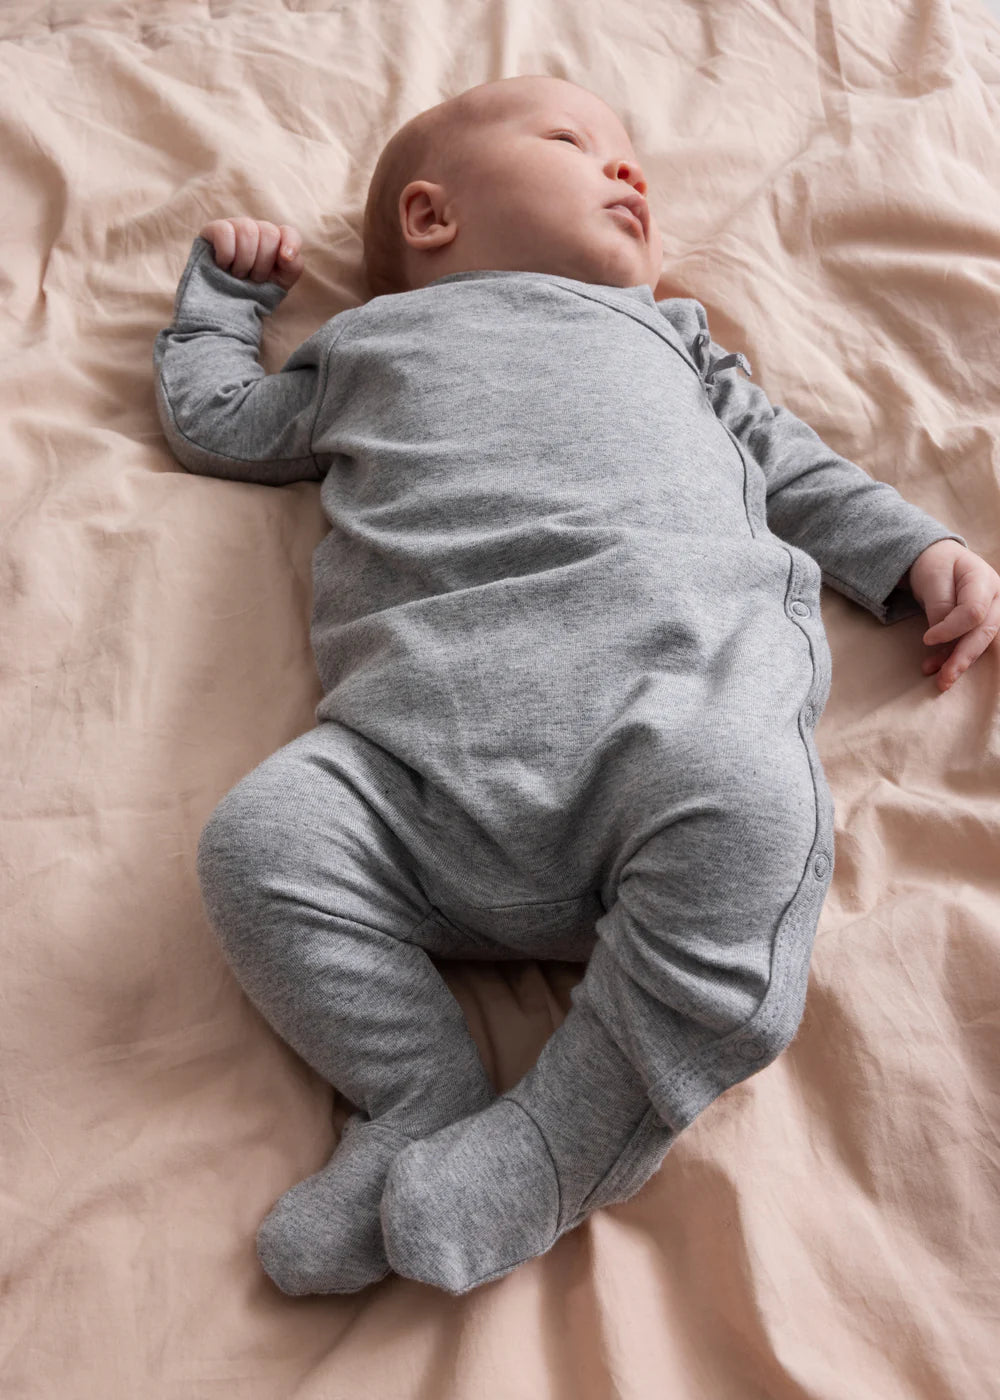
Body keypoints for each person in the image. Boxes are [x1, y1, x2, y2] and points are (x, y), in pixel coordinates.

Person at [152, 74, 999, 1298]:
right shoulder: (366, 344)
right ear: (432, 217)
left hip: (664, 726)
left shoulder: (670, 333)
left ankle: (552, 1143)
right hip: (411, 764)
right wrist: (224, 301)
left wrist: (916, 552)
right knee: (261, 839)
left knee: (759, 813)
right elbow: (218, 421)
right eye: (576, 144)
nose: (629, 173)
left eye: (633, 158)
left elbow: (793, 466)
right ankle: (413, 1089)